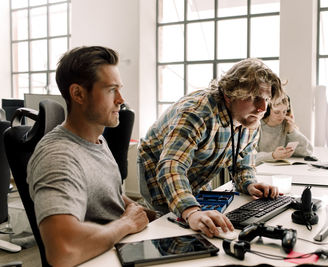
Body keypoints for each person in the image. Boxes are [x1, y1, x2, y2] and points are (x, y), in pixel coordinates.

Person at [27, 46, 153, 266]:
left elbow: (104, 195)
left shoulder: (97, 140)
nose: (121, 99)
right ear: (78, 94)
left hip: (123, 250)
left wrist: (160, 217)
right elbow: (62, 250)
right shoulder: (59, 157)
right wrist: (127, 224)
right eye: (111, 90)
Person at [138, 58, 284, 238]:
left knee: (202, 225)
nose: (262, 108)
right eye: (254, 98)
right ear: (229, 95)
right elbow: (171, 167)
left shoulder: (250, 119)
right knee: (170, 226)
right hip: (158, 168)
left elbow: (243, 163)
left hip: (198, 169)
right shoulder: (197, 113)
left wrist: (250, 183)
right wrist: (191, 212)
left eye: (267, 99)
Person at [255, 94, 313, 165]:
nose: (282, 116)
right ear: (267, 110)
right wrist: (273, 155)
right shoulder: (257, 126)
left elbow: (308, 151)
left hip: (281, 169)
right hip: (261, 171)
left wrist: (291, 131)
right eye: (277, 112)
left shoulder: (285, 125)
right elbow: (250, 157)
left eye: (284, 111)